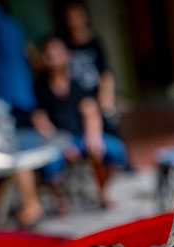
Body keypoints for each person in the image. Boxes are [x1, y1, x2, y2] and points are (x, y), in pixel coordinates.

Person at [32, 36, 127, 210]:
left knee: (114, 149)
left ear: (66, 55)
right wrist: (63, 145)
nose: (52, 57)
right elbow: (40, 120)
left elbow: (90, 111)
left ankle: (102, 191)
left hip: (80, 137)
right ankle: (60, 200)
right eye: (48, 53)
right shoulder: (40, 88)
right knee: (50, 162)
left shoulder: (77, 84)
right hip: (56, 141)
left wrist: (93, 138)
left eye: (56, 52)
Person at [0, 2, 44, 226]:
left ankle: (29, 206)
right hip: (23, 93)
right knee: (24, 148)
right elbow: (30, 54)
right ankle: (29, 203)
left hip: (2, 96)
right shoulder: (13, 22)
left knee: (11, 151)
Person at [61, 1, 119, 132]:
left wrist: (105, 99)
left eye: (77, 16)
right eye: (70, 17)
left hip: (96, 93)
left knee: (109, 125)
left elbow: (105, 72)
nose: (74, 21)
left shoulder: (95, 42)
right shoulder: (65, 45)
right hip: (76, 97)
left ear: (84, 16)